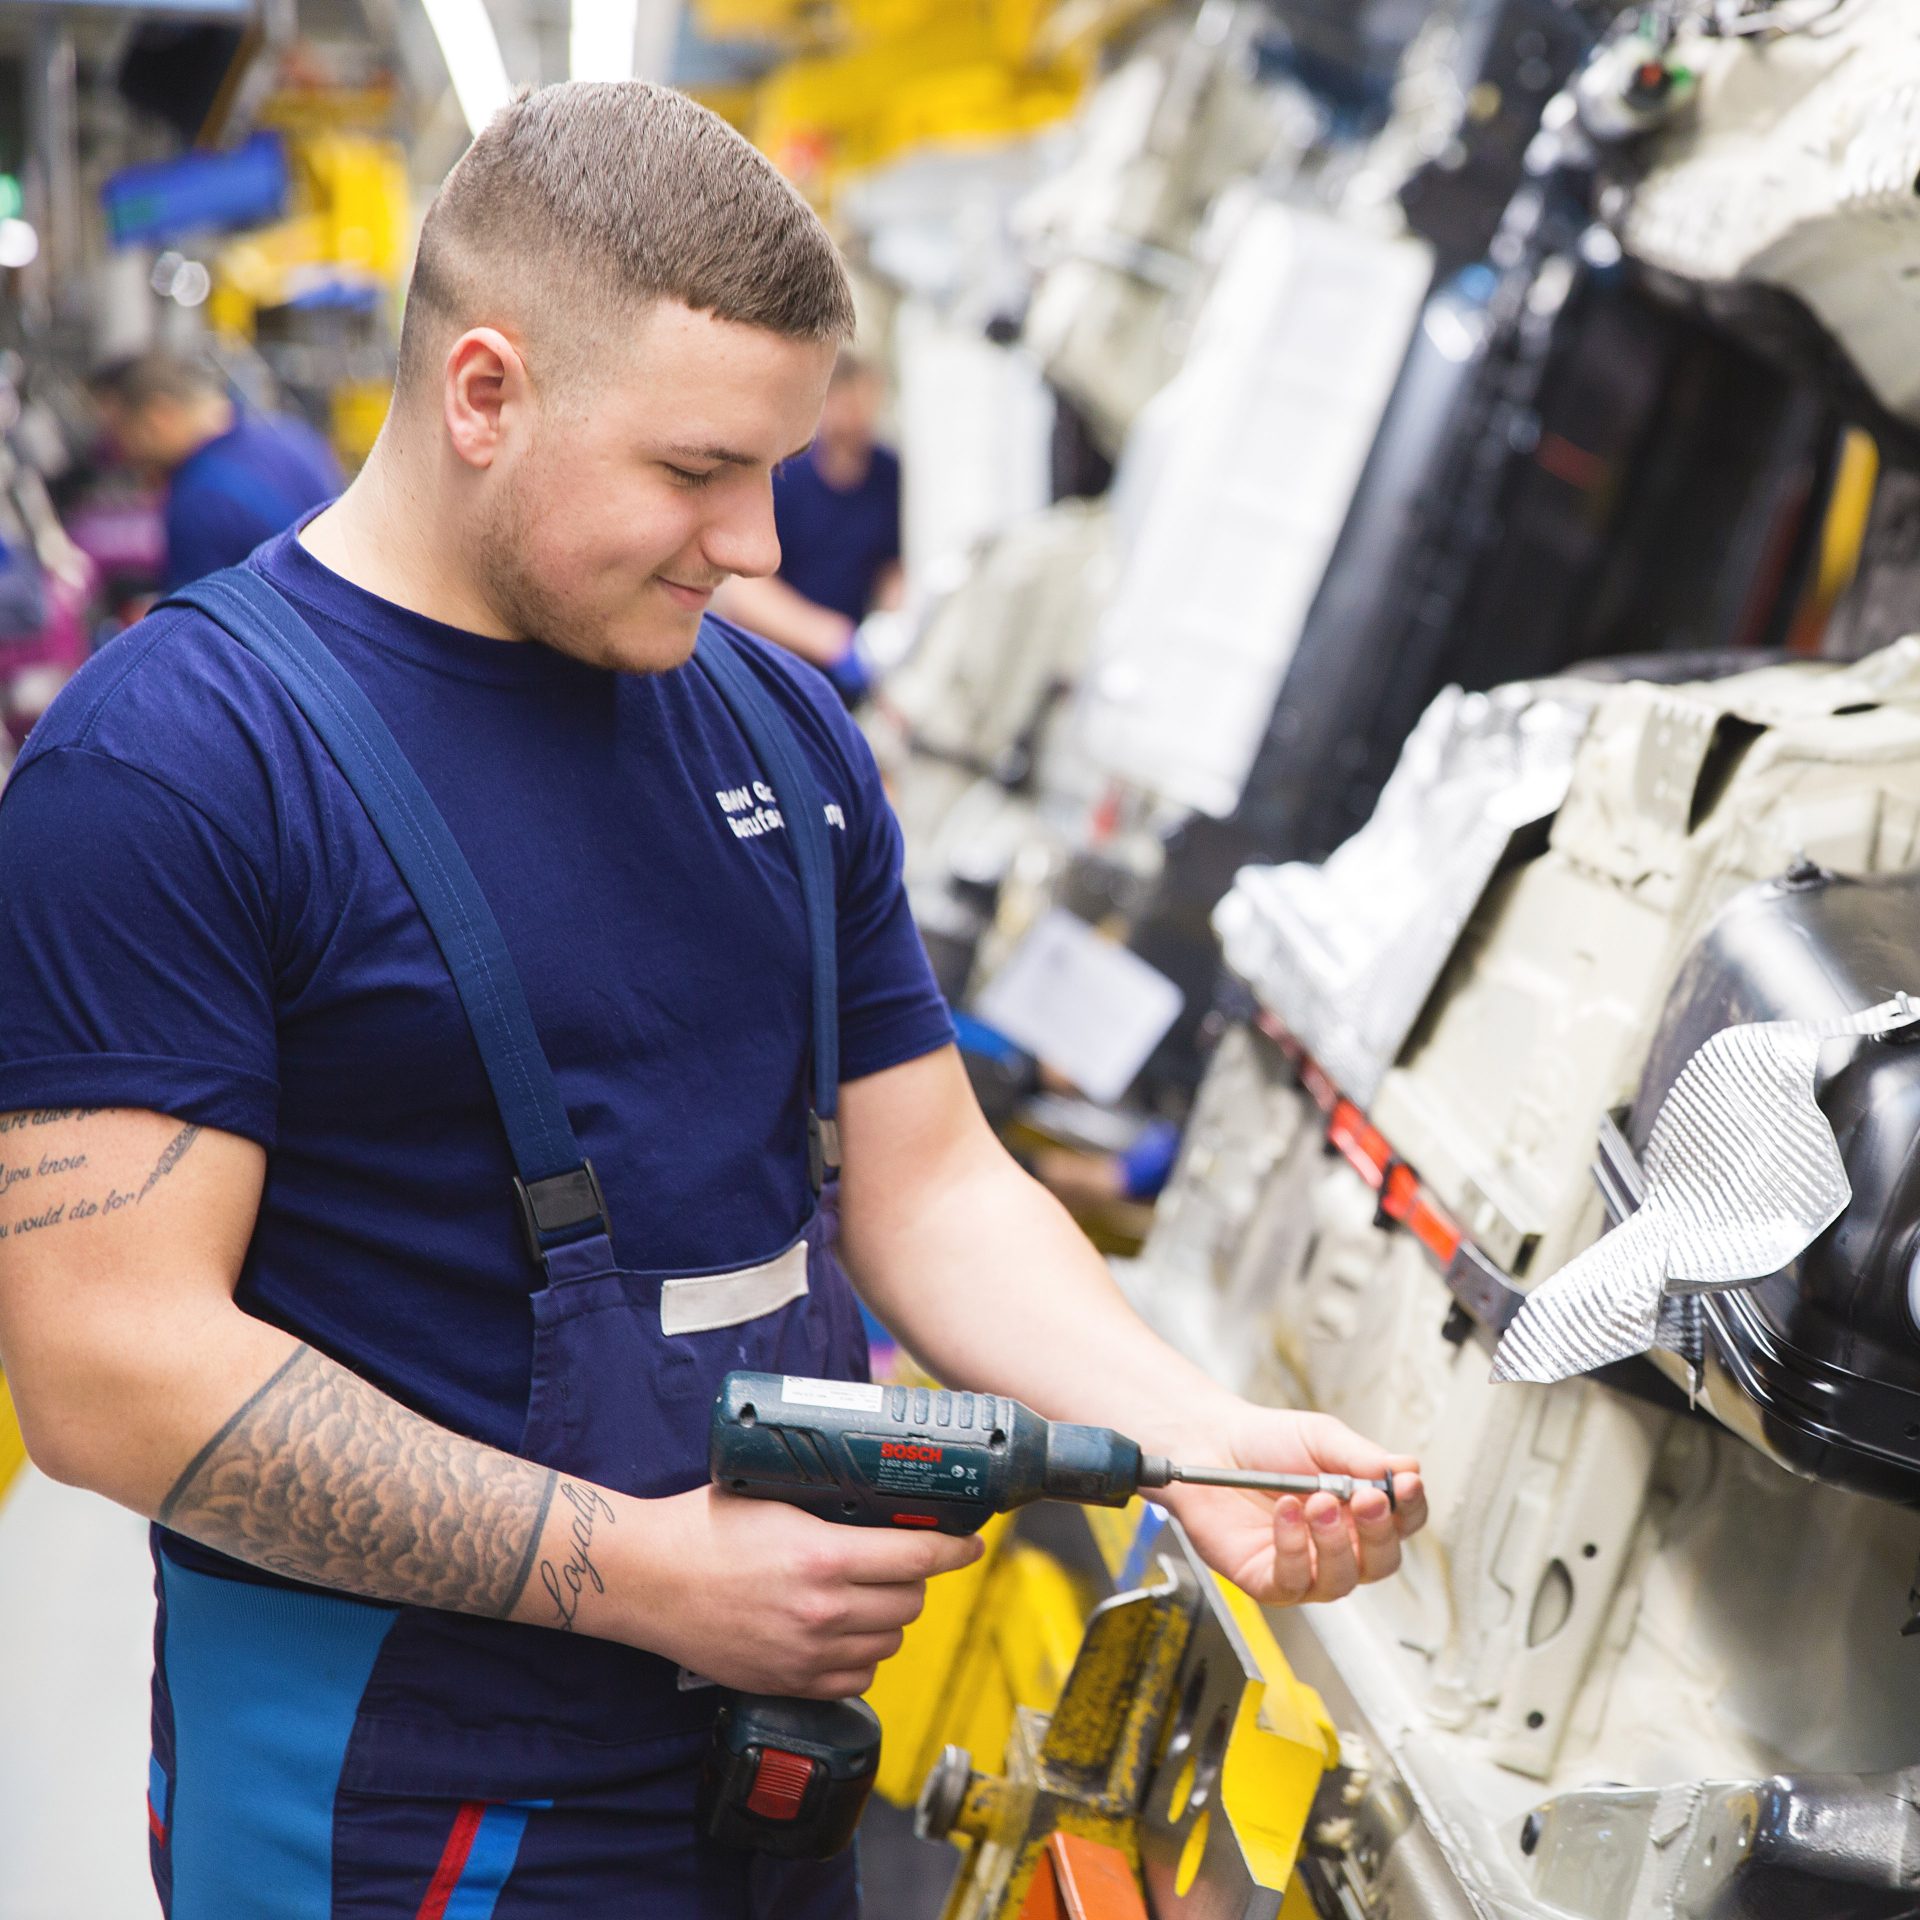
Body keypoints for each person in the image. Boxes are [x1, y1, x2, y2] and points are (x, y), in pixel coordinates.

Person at [0, 82, 1424, 1918]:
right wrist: (644, 1575)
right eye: (696, 470)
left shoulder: (776, 729)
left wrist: (1189, 1438)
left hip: (767, 1756)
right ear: (486, 393)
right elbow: (107, 1370)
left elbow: (928, 1184)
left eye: (777, 466)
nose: (755, 541)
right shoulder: (179, 767)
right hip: (394, 1789)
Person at [715, 351, 899, 705]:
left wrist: (891, 629)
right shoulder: (786, 472)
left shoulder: (886, 472)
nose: (860, 420)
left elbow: (890, 567)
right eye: (850, 407)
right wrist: (827, 637)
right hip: (779, 666)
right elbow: (743, 588)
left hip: (853, 673)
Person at [89, 348, 344, 590]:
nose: (118, 450)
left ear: (159, 416)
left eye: (118, 430)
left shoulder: (199, 501)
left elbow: (193, 620)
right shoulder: (293, 434)